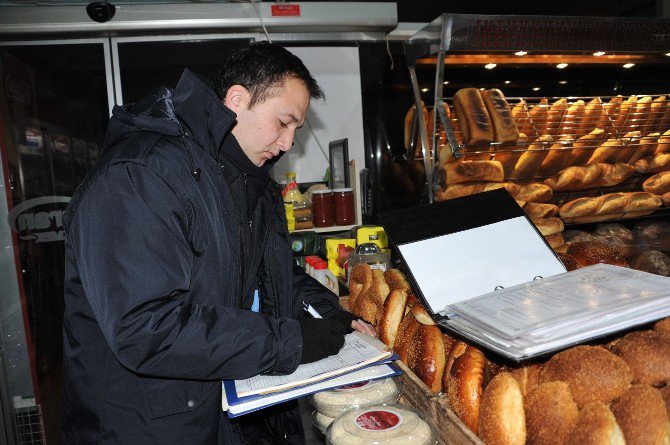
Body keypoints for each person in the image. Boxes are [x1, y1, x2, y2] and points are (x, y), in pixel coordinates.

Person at [61, 42, 375, 444]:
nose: (287, 143)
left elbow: (274, 274)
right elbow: (147, 328)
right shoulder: (141, 175)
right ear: (238, 99)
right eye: (284, 122)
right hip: (147, 426)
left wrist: (330, 314)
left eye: (295, 130)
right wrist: (290, 342)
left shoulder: (246, 180)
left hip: (218, 409)